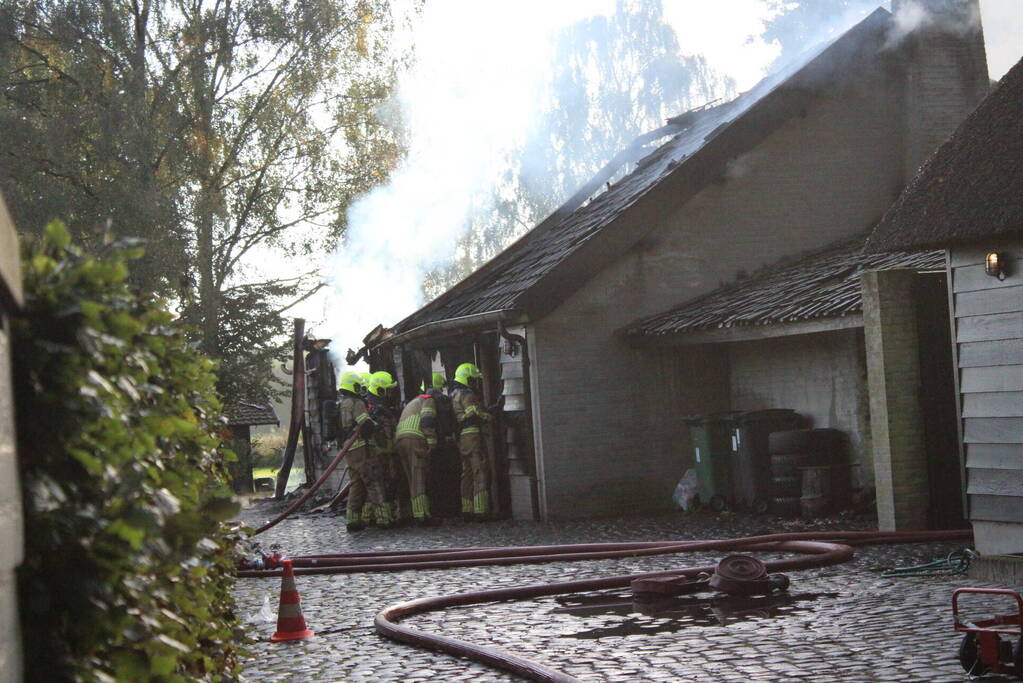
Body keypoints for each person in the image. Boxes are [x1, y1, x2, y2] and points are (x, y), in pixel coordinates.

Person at [337, 371, 389, 531]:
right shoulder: (357, 402)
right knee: (373, 481)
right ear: (353, 385)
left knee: (356, 485)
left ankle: (353, 520)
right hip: (362, 447)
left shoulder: (343, 403)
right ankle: (383, 518)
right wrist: (377, 423)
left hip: (349, 449)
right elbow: (365, 426)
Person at [394, 386, 450, 526]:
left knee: (411, 478)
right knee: (418, 476)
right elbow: (427, 420)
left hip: (400, 439)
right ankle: (422, 516)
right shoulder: (429, 400)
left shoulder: (415, 401)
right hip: (415, 439)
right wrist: (432, 443)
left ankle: (409, 512)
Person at [367, 371, 410, 525]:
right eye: (388, 389)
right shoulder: (374, 409)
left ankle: (383, 516)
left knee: (390, 483)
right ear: (380, 389)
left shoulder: (381, 407)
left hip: (388, 452)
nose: (390, 393)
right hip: (381, 454)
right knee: (384, 484)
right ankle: (385, 517)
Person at [451, 362, 492, 521]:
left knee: (466, 473)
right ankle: (481, 511)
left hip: (461, 439)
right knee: (479, 471)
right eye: (473, 379)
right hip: (473, 436)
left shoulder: (453, 394)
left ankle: (467, 510)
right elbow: (475, 414)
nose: (475, 383)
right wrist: (489, 415)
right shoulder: (468, 395)